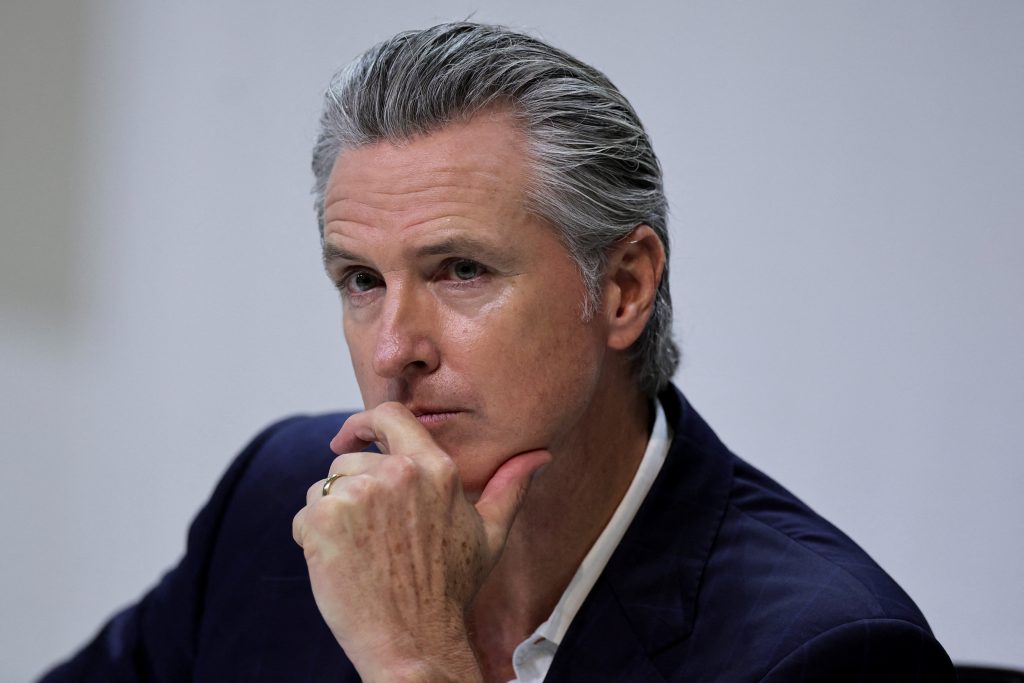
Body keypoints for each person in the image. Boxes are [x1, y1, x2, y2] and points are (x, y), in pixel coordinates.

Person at [40, 22, 955, 682]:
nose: (394, 348)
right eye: (361, 279)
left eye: (462, 270)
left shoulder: (827, 651)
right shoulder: (284, 501)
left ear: (624, 288)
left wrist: (416, 661)